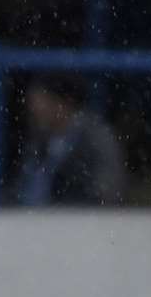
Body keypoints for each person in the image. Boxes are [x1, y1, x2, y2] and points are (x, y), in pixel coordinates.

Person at [12, 76, 126, 205]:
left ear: (64, 102)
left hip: (78, 220)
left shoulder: (96, 138)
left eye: (41, 102)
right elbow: (22, 187)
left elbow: (108, 189)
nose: (34, 109)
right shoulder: (38, 138)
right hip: (28, 220)